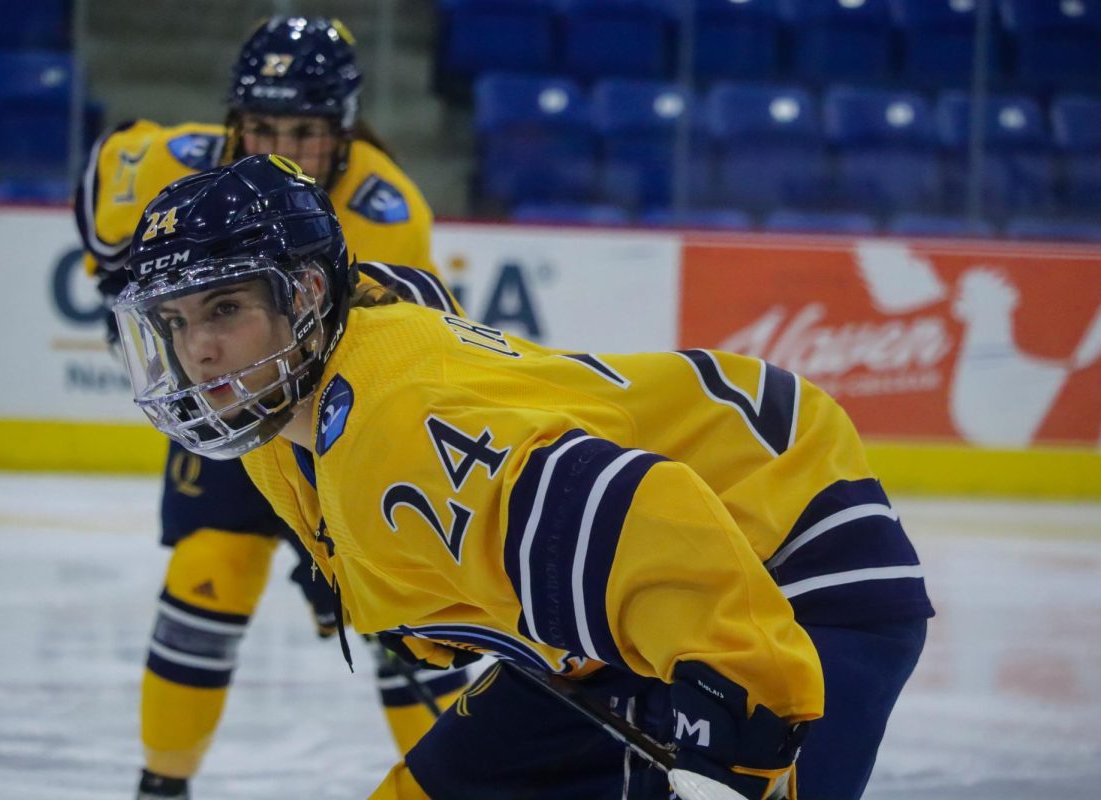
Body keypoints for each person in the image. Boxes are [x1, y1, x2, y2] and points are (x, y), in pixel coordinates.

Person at [112, 154, 934, 800]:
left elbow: (644, 512)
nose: (199, 351)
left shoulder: (393, 429)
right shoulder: (282, 410)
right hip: (630, 618)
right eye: (176, 322)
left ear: (308, 294)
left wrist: (738, 722)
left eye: (225, 309)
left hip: (783, 560)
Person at [72, 17, 468, 800]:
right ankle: (162, 784)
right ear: (233, 120)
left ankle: (461, 782)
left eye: (304, 130)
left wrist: (332, 534)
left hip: (332, 420)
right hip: (226, 405)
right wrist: (124, 271)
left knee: (401, 613)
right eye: (260, 126)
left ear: (344, 129)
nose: (276, 147)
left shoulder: (386, 217)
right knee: (207, 576)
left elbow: (385, 371)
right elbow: (108, 185)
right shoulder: (176, 163)